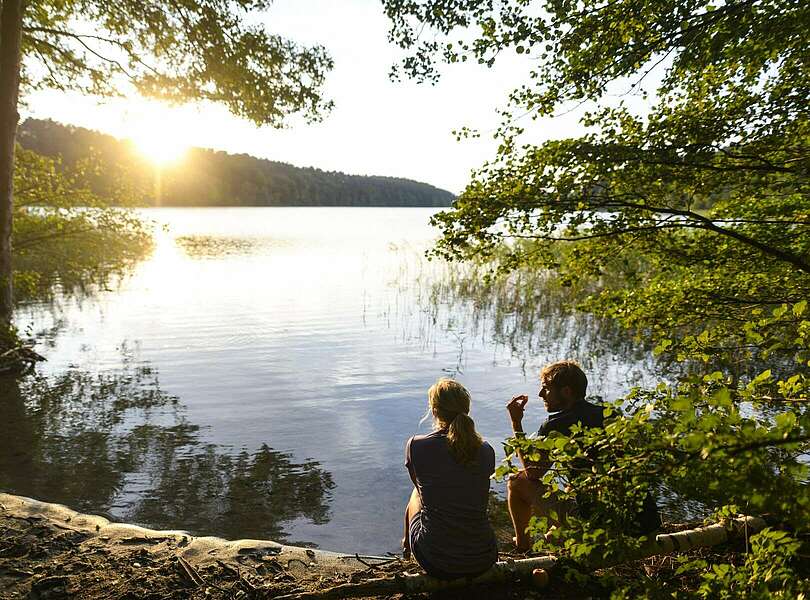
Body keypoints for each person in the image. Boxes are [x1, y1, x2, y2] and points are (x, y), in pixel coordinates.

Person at [506, 360, 660, 551]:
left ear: (566, 392)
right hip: (648, 524)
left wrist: (516, 423)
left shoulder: (555, 424)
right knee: (570, 492)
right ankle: (554, 537)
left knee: (516, 481)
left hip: (606, 530)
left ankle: (522, 545)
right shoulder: (607, 414)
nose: (540, 394)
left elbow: (532, 473)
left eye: (546, 388)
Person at [403, 378, 498, 579]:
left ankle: (407, 548)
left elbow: (422, 491)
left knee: (416, 495)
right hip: (485, 557)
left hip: (436, 561)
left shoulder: (416, 446)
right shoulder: (487, 450)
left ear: (434, 410)